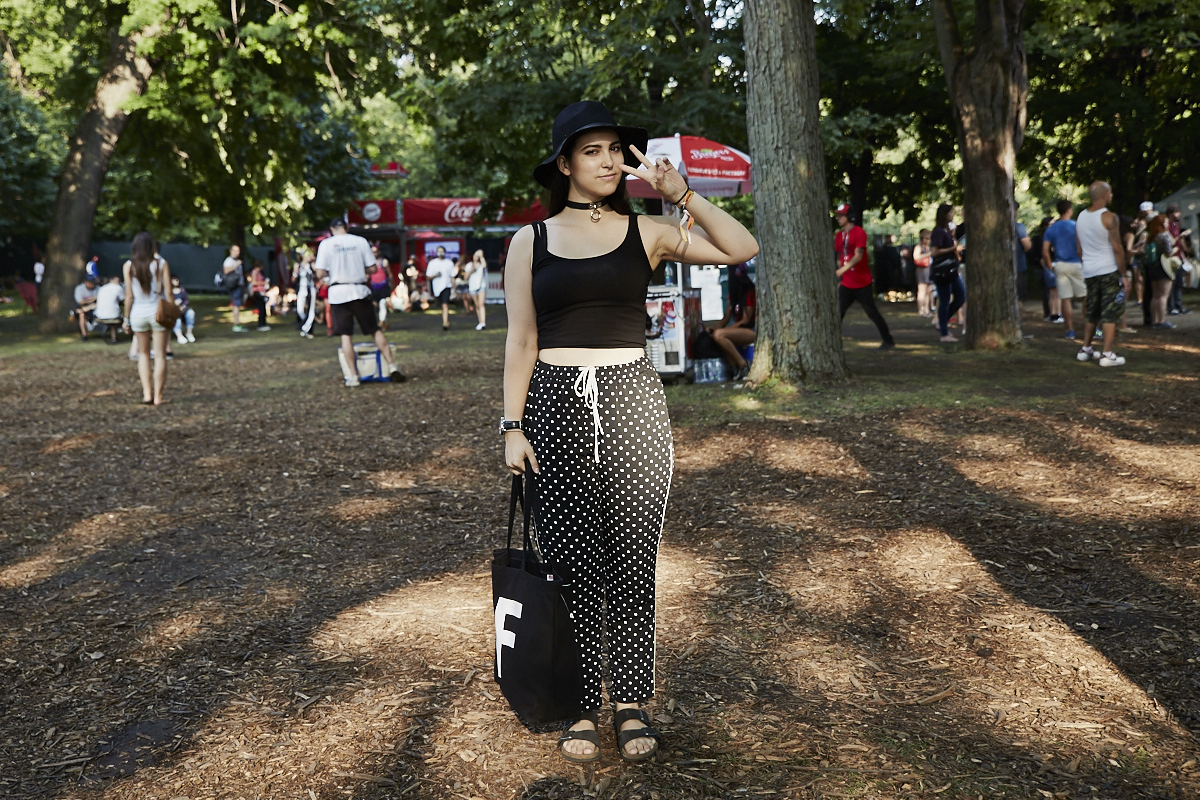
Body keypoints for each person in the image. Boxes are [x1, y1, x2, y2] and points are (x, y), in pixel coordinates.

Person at [502, 100, 758, 764]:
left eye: (616, 149)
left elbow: (742, 248)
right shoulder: (530, 241)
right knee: (570, 560)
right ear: (565, 164)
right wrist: (511, 424)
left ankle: (631, 702)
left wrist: (681, 194)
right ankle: (584, 703)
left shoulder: (648, 232)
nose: (610, 160)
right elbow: (521, 339)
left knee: (632, 561)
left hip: (631, 398)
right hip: (554, 401)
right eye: (593, 150)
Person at [314, 218, 406, 385]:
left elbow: (320, 273)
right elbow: (372, 268)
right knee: (374, 329)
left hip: (338, 293)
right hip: (359, 290)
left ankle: (353, 376)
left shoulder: (326, 244)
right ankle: (393, 366)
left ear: (331, 228)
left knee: (346, 335)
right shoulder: (360, 241)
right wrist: (357, 268)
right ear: (347, 227)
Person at [1073, 181, 1128, 367]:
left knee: (1092, 311)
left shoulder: (1080, 217)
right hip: (1108, 269)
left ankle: (1086, 348)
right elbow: (1117, 248)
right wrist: (1124, 274)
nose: (1112, 195)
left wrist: (1087, 264)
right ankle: (1107, 353)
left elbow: (1079, 249)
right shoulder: (1109, 217)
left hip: (1089, 270)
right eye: (1110, 192)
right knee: (1110, 312)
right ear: (1104, 195)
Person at [833, 203, 895, 349]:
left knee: (872, 312)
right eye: (837, 215)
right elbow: (840, 256)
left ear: (849, 216)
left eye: (841, 215)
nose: (838, 218)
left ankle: (888, 340)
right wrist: (840, 276)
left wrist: (840, 271)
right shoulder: (838, 235)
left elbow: (858, 256)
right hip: (847, 283)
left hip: (862, 282)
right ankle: (833, 343)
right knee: (838, 313)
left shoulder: (859, 232)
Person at [121, 232, 172, 404]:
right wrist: (172, 313)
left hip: (137, 313)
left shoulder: (128, 265)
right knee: (159, 355)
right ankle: (158, 396)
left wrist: (126, 319)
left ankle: (147, 394)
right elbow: (169, 292)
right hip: (157, 311)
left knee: (143, 354)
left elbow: (129, 296)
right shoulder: (161, 263)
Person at [1042, 200, 1084, 339]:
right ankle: (1094, 329)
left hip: (1060, 265)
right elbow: (1083, 246)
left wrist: (1050, 265)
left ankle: (1070, 330)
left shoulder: (1051, 229)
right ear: (1069, 210)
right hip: (1077, 263)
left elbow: (1045, 251)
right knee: (1086, 298)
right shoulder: (1077, 226)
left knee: (1065, 298)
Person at [709, 262, 756, 380]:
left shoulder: (749, 292)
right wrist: (714, 327)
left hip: (751, 330)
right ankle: (735, 369)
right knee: (716, 335)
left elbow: (745, 320)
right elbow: (726, 317)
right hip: (739, 330)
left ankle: (743, 365)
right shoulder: (732, 294)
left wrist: (724, 330)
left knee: (720, 334)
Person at [929, 203, 965, 342]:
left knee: (961, 296)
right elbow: (935, 251)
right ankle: (944, 333)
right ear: (944, 215)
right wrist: (953, 249)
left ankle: (942, 322)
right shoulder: (938, 231)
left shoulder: (946, 231)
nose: (952, 215)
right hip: (943, 272)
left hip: (951, 270)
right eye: (950, 213)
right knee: (944, 300)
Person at [1143, 214, 1176, 329]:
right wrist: (1175, 249)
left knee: (1155, 296)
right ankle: (1162, 320)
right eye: (1166, 222)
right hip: (1163, 267)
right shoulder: (1164, 236)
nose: (1167, 224)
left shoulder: (1151, 236)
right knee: (1163, 296)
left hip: (1152, 267)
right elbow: (1168, 252)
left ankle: (1154, 321)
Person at [1165, 203, 1193, 315]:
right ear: (1171, 214)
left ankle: (1179, 306)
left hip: (1179, 258)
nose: (1178, 214)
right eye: (1176, 212)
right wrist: (1181, 236)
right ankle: (1171, 307)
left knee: (1179, 283)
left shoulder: (1176, 225)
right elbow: (1171, 242)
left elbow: (1179, 245)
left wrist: (1184, 257)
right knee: (1172, 284)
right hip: (1171, 259)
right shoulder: (1167, 226)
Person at [426, 246, 457, 331]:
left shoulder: (449, 263)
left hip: (447, 286)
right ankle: (446, 319)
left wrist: (454, 288)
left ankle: (445, 323)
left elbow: (452, 276)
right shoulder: (432, 263)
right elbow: (428, 276)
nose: (440, 253)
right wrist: (435, 275)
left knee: (445, 304)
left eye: (442, 251)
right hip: (437, 288)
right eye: (439, 251)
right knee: (442, 305)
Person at [222, 244, 249, 332]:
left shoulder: (236, 260)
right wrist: (236, 265)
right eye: (235, 250)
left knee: (238, 304)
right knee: (236, 304)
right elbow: (226, 271)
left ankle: (237, 323)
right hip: (234, 285)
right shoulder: (229, 261)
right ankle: (236, 324)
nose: (237, 252)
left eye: (238, 251)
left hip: (239, 285)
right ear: (231, 251)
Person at [94, 275, 125, 344]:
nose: (119, 282)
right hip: (112, 315)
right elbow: (124, 300)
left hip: (99, 315)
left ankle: (114, 338)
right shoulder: (118, 288)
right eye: (117, 281)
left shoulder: (102, 288)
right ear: (111, 281)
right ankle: (116, 337)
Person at [368, 244, 393, 328]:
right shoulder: (369, 263)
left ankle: (381, 321)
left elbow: (390, 274)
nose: (374, 253)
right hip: (374, 287)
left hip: (383, 286)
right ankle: (384, 322)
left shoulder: (384, 262)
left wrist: (392, 284)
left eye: (375, 251)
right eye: (372, 252)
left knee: (382, 304)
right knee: (375, 305)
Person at [296, 247, 318, 338]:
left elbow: (317, 274)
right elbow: (294, 278)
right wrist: (295, 273)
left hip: (311, 289)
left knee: (311, 310)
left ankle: (307, 329)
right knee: (300, 310)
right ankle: (305, 326)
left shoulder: (312, 265)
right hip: (302, 289)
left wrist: (314, 262)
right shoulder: (298, 265)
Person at [465, 249, 489, 330]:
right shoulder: (469, 265)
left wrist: (482, 256)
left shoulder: (481, 265)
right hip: (472, 287)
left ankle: (483, 322)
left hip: (481, 286)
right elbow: (465, 277)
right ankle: (480, 322)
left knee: (481, 304)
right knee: (477, 305)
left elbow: (484, 266)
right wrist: (472, 269)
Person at [913, 229, 934, 317]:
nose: (928, 240)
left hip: (928, 270)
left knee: (928, 291)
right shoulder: (918, 247)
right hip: (921, 270)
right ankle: (921, 310)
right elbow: (916, 257)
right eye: (926, 238)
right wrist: (928, 254)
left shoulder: (928, 247)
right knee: (922, 291)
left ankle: (927, 309)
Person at [73, 275, 99, 341]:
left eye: (93, 283)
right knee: (81, 314)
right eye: (90, 283)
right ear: (85, 282)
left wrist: (91, 306)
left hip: (96, 309)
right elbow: (80, 302)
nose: (92, 284)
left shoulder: (98, 288)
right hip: (83, 308)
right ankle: (84, 335)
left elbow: (101, 301)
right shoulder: (79, 288)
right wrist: (92, 300)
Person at [170, 275, 196, 343]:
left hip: (183, 310)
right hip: (174, 311)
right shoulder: (168, 291)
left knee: (191, 313)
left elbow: (186, 301)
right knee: (176, 318)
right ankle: (179, 335)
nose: (176, 282)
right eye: (174, 280)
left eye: (177, 280)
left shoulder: (182, 290)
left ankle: (189, 333)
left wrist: (183, 306)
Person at [248, 260, 271, 331]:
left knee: (263, 307)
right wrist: (264, 282)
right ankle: (261, 324)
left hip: (261, 291)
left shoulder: (258, 272)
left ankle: (263, 323)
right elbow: (254, 282)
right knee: (261, 308)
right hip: (257, 292)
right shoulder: (255, 272)